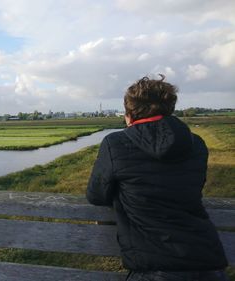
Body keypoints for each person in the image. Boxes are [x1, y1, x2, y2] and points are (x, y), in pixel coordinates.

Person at [86, 75, 228, 281]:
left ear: (129, 114)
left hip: (155, 265)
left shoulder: (115, 143)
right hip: (208, 261)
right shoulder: (195, 142)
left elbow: (97, 195)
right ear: (170, 108)